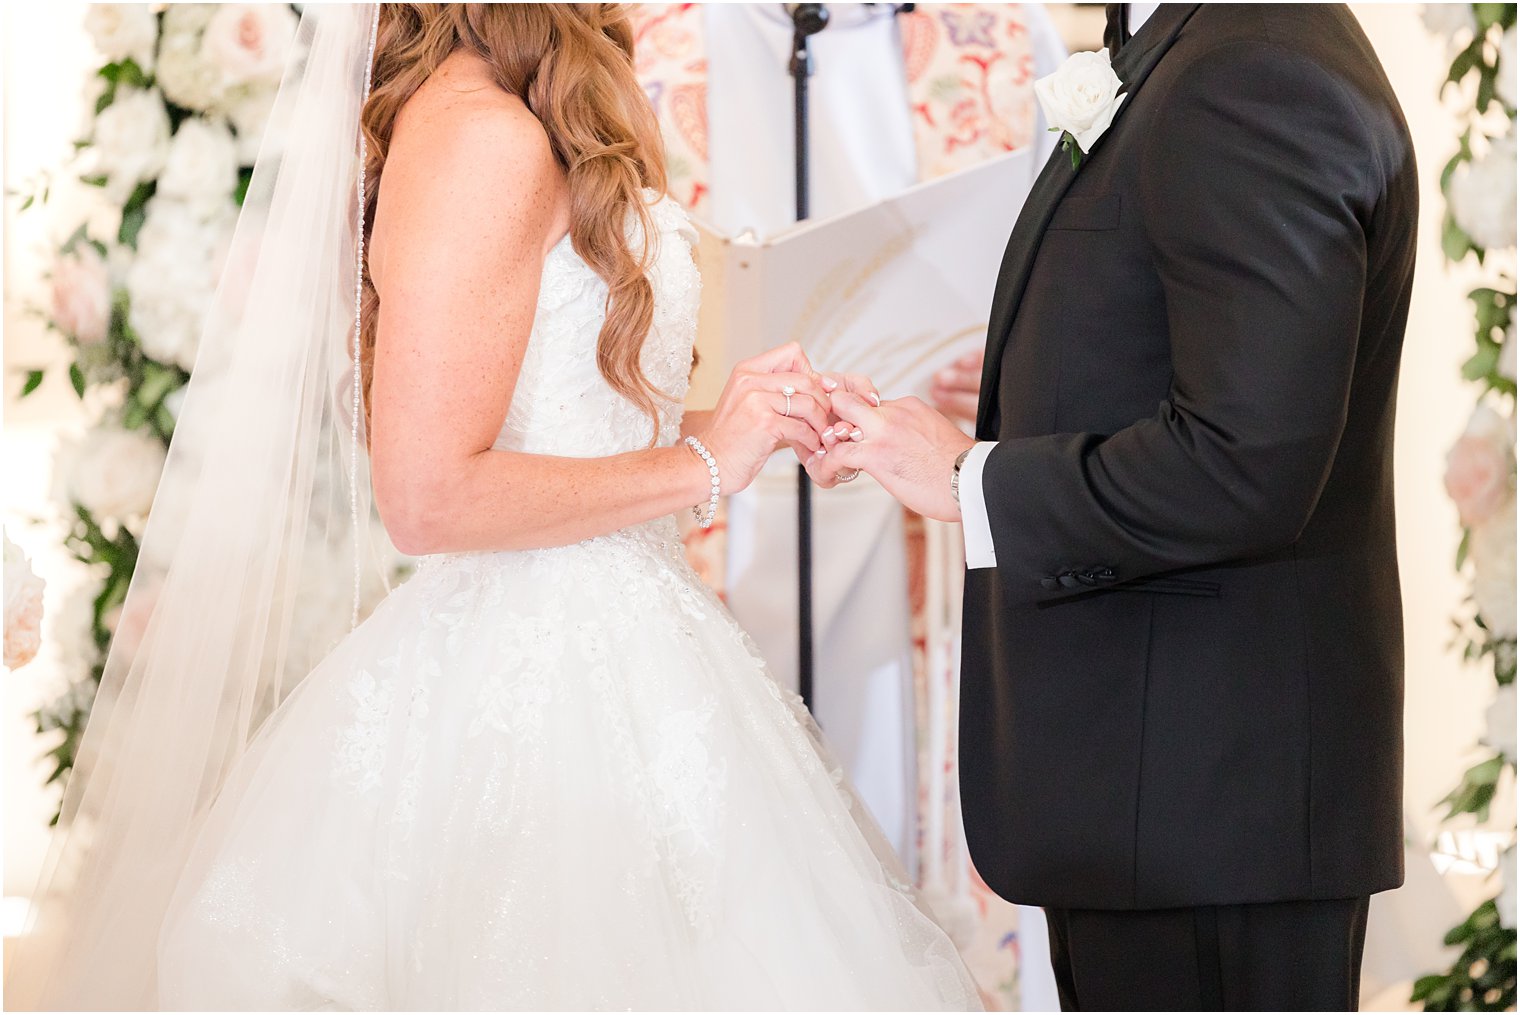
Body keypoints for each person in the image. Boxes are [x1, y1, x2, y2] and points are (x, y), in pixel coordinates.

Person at [7, 6, 981, 1010]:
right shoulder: (479, 132)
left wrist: (758, 418)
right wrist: (702, 460)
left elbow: (570, 423)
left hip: (635, 645)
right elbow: (426, 496)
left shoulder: (533, 109)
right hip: (532, 685)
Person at [810, 3, 1414, 1010]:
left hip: (1203, 813)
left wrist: (968, 478)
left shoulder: (1252, 70)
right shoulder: (1204, 49)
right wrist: (1019, 399)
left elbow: (1243, 463)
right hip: (1163, 809)